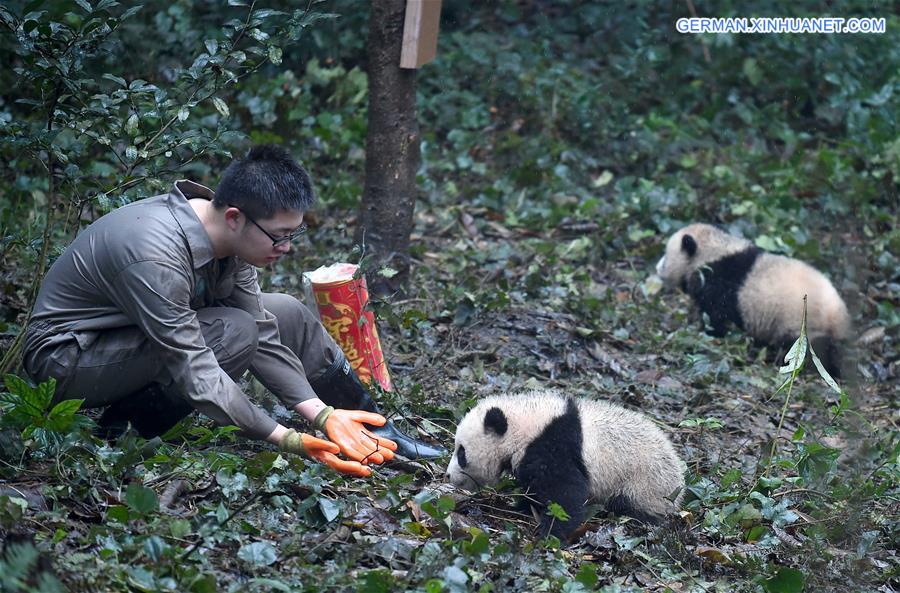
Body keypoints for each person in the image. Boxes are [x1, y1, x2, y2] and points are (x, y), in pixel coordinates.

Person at [22, 145, 445, 476]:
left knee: (284, 312)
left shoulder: (229, 237)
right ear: (235, 217)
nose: (287, 249)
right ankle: (125, 430)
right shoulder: (154, 254)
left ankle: (372, 429)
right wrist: (286, 438)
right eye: (279, 238)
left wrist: (322, 415)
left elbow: (263, 326)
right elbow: (194, 365)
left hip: (131, 343)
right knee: (233, 330)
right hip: (67, 361)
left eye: (293, 235)